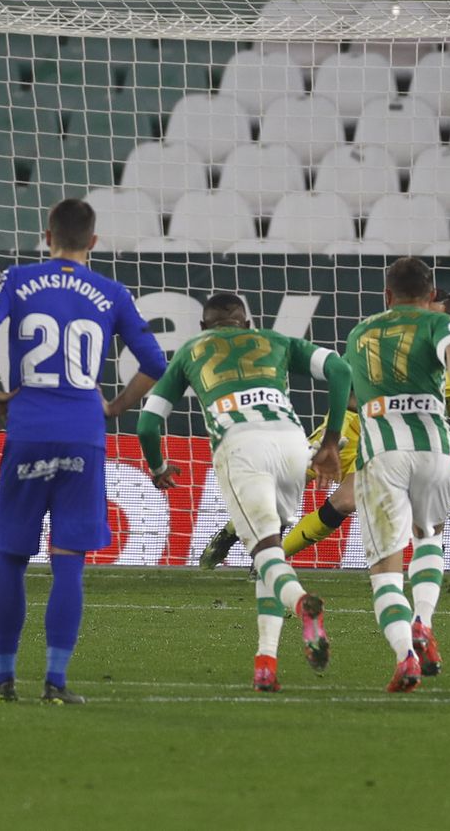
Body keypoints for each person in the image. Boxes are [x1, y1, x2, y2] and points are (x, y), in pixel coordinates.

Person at [198, 290, 450, 679]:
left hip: (390, 448)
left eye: (434, 316)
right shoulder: (389, 350)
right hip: (359, 430)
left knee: (343, 501)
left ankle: (273, 556)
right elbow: (350, 389)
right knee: (289, 474)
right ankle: (234, 529)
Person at [0, 197, 167, 704]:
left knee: (11, 558)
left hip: (27, 430)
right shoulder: (112, 292)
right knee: (68, 561)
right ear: (93, 242)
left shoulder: (15, 279)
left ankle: (4, 677)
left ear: (46, 236)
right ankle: (55, 682)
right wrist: (114, 407)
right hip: (82, 435)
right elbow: (156, 362)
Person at [136, 293, 350, 693]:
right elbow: (340, 368)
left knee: (265, 553)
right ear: (247, 324)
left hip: (240, 445)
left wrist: (158, 467)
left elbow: (147, 424)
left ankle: (301, 602)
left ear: (204, 328)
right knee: (269, 555)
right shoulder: (274, 340)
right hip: (291, 444)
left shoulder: (190, 350)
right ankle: (265, 662)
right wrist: (332, 441)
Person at [343, 258, 450, 691]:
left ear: (387, 295)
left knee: (385, 566)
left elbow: (348, 391)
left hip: (381, 453)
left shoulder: (360, 332)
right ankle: (423, 621)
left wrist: (332, 439)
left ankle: (405, 655)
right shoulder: (435, 322)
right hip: (434, 447)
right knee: (429, 536)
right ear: (430, 295)